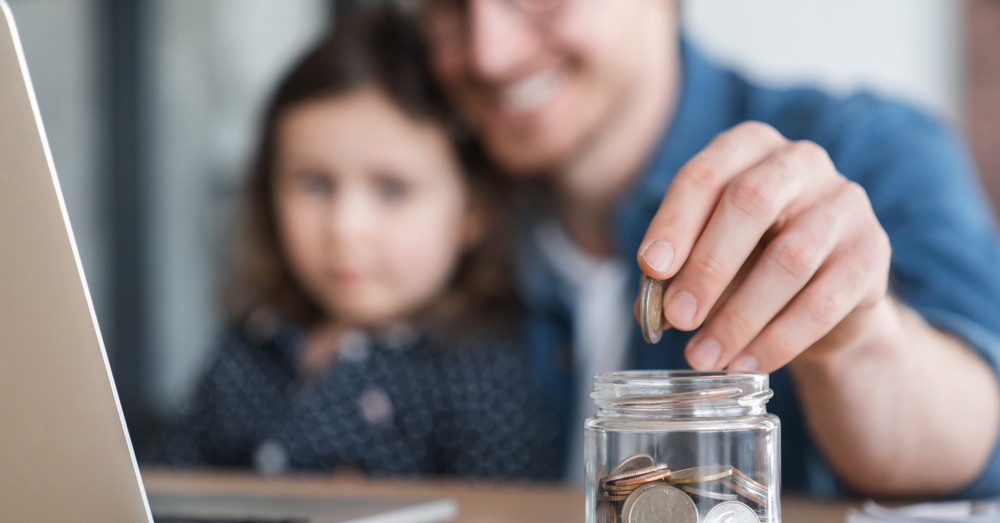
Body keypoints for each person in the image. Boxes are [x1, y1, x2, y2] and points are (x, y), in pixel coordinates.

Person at [418, 0, 1000, 496]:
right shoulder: (409, 195)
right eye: (446, 7)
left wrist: (860, 341)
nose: (486, 54)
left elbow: (982, 433)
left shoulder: (874, 149)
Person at [164, 9, 562, 479]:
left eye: (392, 189)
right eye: (314, 184)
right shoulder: (248, 349)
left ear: (473, 211)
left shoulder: (482, 378)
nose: (345, 227)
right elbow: (170, 492)